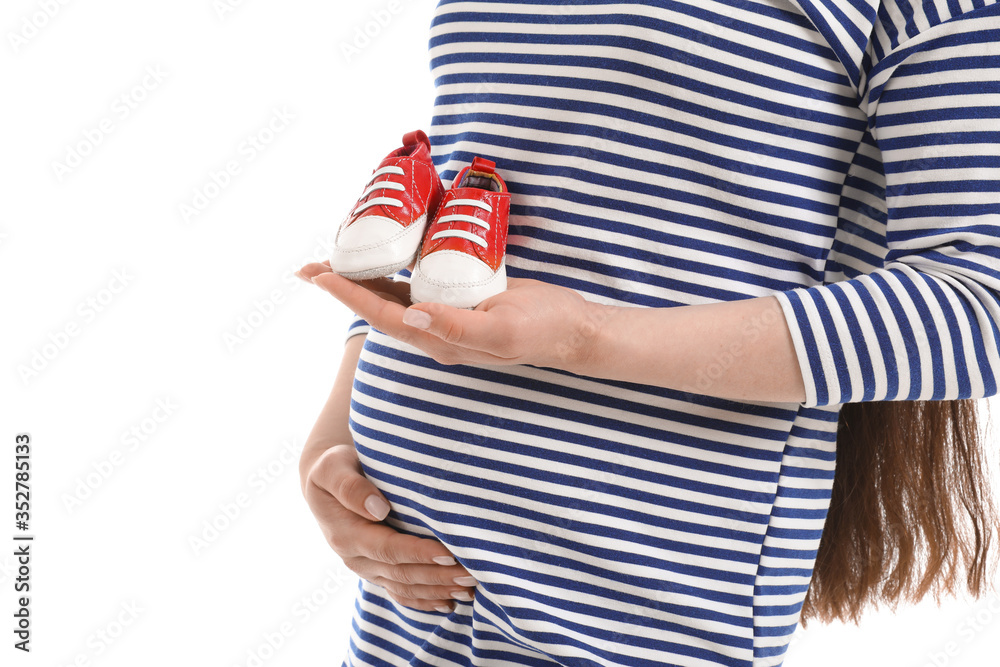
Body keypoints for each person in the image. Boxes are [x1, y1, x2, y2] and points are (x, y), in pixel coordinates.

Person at [298, 1, 1000, 665]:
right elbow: (470, 165)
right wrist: (337, 436)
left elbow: (979, 305)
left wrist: (586, 338)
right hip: (407, 589)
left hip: (625, 594)